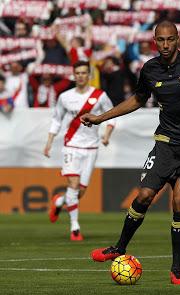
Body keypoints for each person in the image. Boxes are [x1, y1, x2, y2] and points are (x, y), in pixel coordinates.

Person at [80, 21, 180, 285]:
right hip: (165, 142)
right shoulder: (150, 69)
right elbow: (138, 100)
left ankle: (176, 270)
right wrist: (101, 118)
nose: (165, 45)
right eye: (161, 40)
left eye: (170, 40)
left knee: (179, 200)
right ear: (155, 41)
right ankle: (119, 248)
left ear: (178, 40)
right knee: (144, 195)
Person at [44, 60, 115, 241]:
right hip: (71, 145)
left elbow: (111, 116)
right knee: (74, 186)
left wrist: (106, 135)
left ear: (89, 75)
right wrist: (49, 142)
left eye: (84, 73)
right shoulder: (65, 97)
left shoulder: (100, 95)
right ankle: (75, 228)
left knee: (79, 192)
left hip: (91, 148)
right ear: (74, 75)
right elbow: (57, 120)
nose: (81, 76)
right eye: (78, 73)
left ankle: (59, 201)